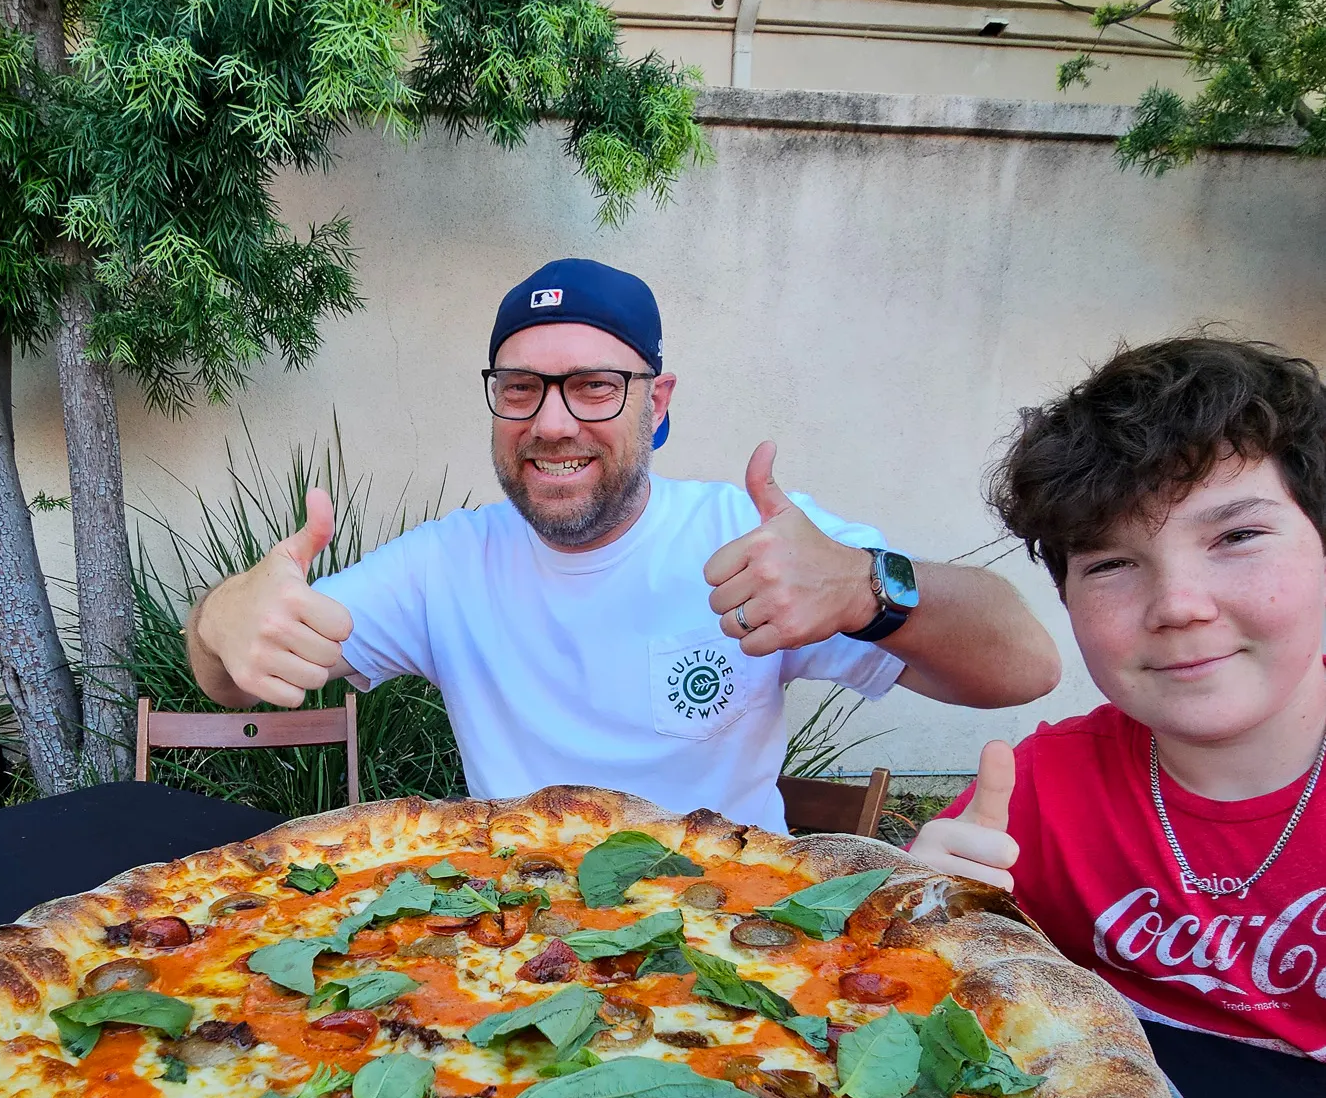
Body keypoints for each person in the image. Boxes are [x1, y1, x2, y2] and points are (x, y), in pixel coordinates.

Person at [187, 258, 1060, 833]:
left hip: (733, 942)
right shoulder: (440, 567)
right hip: (516, 953)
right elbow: (232, 673)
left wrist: (872, 588)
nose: (553, 422)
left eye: (596, 387)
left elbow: (1024, 666)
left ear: (659, 401)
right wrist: (223, 622)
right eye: (521, 389)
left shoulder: (752, 541)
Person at [910, 336, 1326, 1098]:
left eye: (1238, 535)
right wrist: (923, 942)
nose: (1178, 605)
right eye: (1110, 565)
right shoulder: (1031, 797)